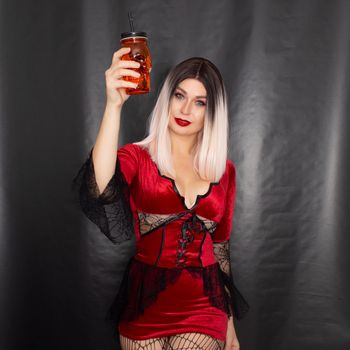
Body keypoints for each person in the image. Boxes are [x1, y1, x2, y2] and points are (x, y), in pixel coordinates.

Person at [72, 47, 249, 350]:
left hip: (203, 305)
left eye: (200, 102)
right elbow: (99, 187)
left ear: (213, 112)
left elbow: (220, 249)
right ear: (167, 98)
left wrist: (230, 323)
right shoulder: (137, 157)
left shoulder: (224, 171)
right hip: (144, 301)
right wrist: (113, 106)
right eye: (179, 96)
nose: (185, 110)